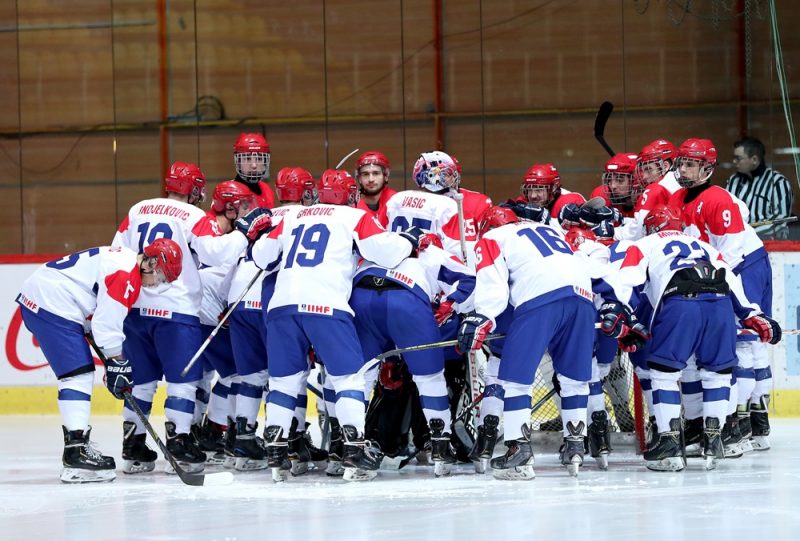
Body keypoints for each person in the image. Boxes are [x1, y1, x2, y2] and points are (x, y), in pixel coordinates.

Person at [250, 168, 423, 482]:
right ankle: (353, 447)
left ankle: (275, 448)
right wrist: (408, 241)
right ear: (349, 194)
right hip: (326, 306)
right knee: (348, 379)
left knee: (283, 383)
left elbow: (262, 257)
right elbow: (386, 253)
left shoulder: (293, 216)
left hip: (282, 307)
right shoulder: (355, 216)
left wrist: (258, 234)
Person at [609, 204, 780, 471]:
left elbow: (627, 281)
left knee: (663, 373)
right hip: (720, 303)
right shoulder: (703, 245)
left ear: (650, 228)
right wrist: (752, 314)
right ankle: (714, 442)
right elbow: (731, 280)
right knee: (717, 373)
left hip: (680, 303)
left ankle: (669, 445)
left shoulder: (643, 244)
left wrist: (623, 314)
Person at [112, 161, 256, 475]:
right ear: (193, 190)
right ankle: (179, 443)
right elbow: (214, 253)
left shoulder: (137, 209)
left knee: (142, 382)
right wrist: (245, 232)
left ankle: (133, 446)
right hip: (176, 311)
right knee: (183, 382)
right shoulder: (192, 215)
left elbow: (117, 252)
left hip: (135, 309)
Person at [16, 239, 183, 483]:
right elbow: (107, 325)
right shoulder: (127, 276)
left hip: (48, 298)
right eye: (160, 276)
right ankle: (76, 454)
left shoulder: (125, 261)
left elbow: (99, 316)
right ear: (151, 263)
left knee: (79, 372)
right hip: (52, 302)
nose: (157, 284)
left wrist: (114, 363)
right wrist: (117, 364)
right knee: (77, 375)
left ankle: (77, 449)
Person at [458, 211, 597, 479]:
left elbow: (494, 286)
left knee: (515, 380)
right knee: (574, 381)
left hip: (539, 298)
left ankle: (518, 451)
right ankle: (575, 448)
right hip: (582, 297)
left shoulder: (492, 237)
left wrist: (482, 315)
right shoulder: (549, 230)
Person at [668, 138, 777, 451]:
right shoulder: (677, 199)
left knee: (744, 344)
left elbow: (730, 255)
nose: (684, 169)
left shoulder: (718, 200)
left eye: (691, 164)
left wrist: (710, 287)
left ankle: (739, 425)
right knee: (715, 349)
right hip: (715, 273)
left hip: (743, 268)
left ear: (707, 168)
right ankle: (742, 423)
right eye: (682, 163)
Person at [351, 232, 475, 477]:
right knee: (429, 378)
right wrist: (450, 304)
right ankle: (440, 446)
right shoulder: (433, 253)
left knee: (358, 378)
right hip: (406, 302)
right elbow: (469, 281)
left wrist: (390, 359)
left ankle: (350, 446)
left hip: (360, 298)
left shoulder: (372, 246)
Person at [725, 136, 794, 240]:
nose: (734, 161)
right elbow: (725, 212)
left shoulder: (777, 182)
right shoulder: (733, 181)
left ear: (754, 159)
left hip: (769, 243)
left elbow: (780, 220)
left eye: (738, 158)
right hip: (736, 241)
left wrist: (747, 234)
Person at [232, 132, 277, 209]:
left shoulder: (267, 189)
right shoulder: (228, 192)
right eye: (248, 158)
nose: (254, 165)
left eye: (259, 159)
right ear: (238, 162)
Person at [355, 151, 397, 226]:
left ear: (386, 176)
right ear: (359, 178)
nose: (371, 179)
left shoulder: (396, 200)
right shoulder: (351, 204)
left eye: (376, 173)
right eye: (365, 174)